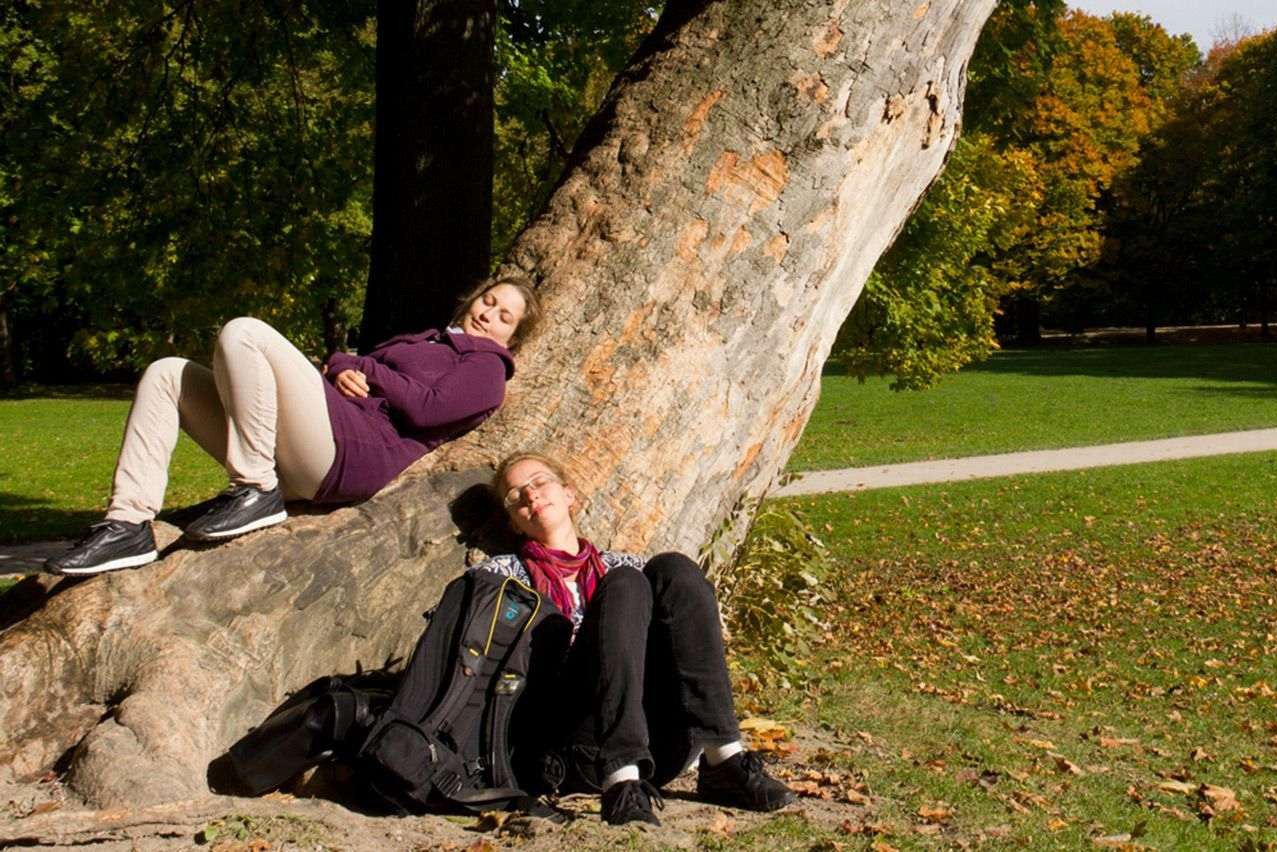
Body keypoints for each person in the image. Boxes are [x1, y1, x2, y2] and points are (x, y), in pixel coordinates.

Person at [47, 278, 541, 576]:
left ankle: (255, 490)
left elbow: (429, 409)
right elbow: (352, 362)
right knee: (167, 373)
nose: (488, 315)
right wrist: (345, 365)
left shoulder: (486, 369)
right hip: (315, 434)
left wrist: (364, 369)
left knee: (245, 332)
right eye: (488, 301)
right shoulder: (429, 340)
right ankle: (127, 523)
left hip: (353, 453)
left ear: (512, 337)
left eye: (504, 316)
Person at [474, 452, 797, 826]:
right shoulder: (503, 577)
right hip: (571, 746)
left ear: (568, 493)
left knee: (674, 569)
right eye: (515, 495)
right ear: (513, 522)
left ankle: (724, 757)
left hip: (658, 747)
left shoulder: (624, 565)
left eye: (540, 482)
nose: (530, 496)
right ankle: (621, 781)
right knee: (625, 585)